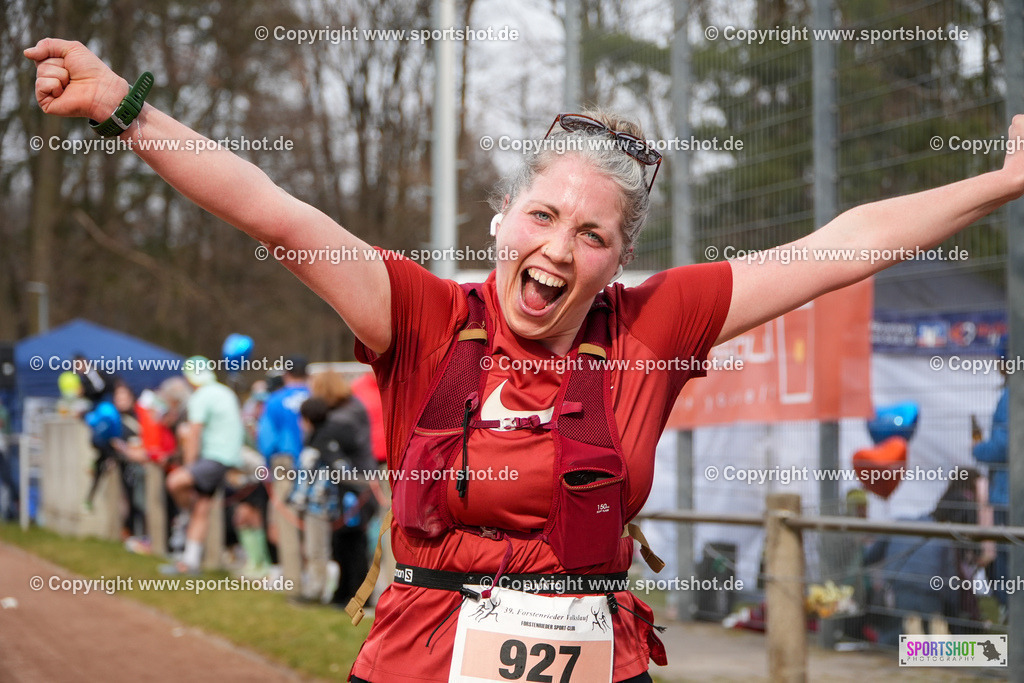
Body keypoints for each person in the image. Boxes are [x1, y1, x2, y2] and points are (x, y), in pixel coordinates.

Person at [24, 39, 1024, 682]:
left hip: (597, 653)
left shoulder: (654, 324)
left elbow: (836, 246)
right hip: (421, 654)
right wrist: (125, 109)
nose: (557, 246)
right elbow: (274, 213)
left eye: (590, 232)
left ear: (618, 255)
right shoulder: (419, 314)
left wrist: (1003, 179)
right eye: (542, 214)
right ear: (502, 220)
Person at [863, 468, 995, 645]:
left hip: (898, 589)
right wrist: (954, 607)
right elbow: (951, 575)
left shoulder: (901, 523)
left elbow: (870, 558)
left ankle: (892, 655)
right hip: (931, 592)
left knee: (893, 637)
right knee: (927, 638)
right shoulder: (945, 534)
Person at [161, 356, 244, 574]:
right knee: (202, 509)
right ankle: (190, 561)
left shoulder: (201, 396)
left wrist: (188, 467)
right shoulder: (225, 392)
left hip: (214, 456)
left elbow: (194, 435)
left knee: (175, 482)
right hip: (227, 457)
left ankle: (184, 514)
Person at [307, 370, 378, 607]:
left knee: (353, 542)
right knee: (344, 541)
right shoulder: (351, 408)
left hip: (355, 485)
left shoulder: (341, 418)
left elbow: (331, 446)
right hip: (353, 482)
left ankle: (358, 596)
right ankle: (343, 592)